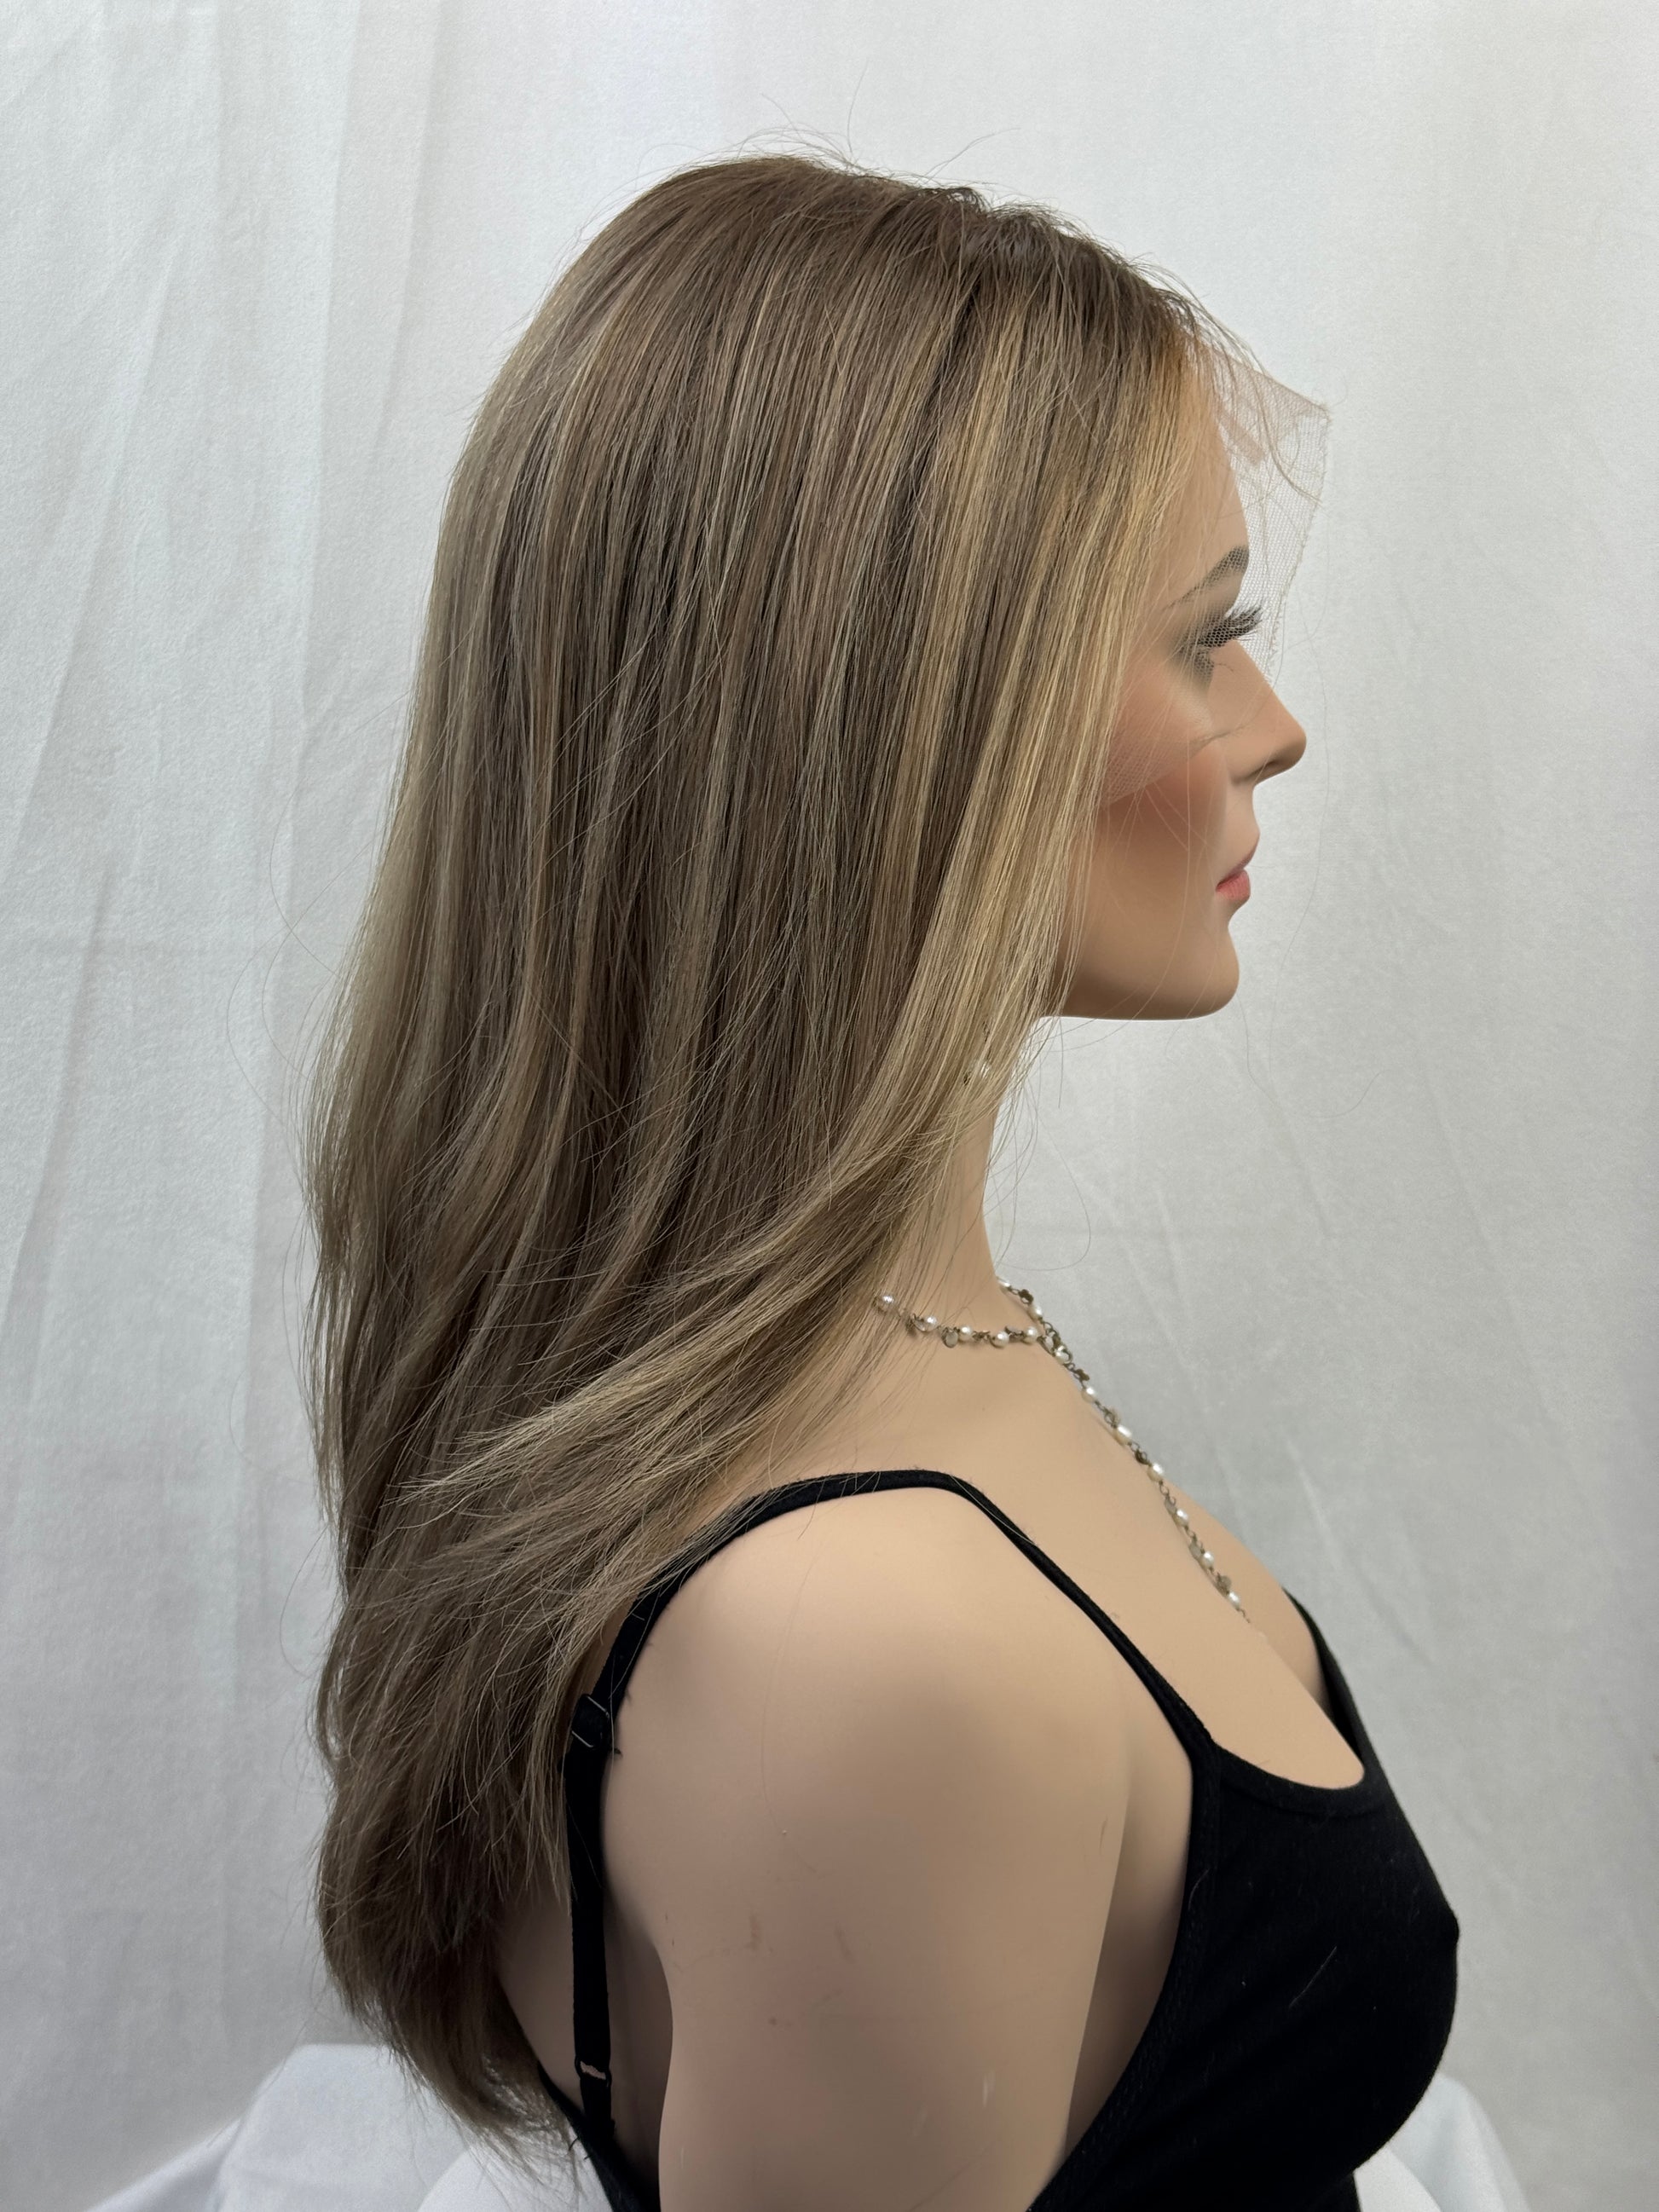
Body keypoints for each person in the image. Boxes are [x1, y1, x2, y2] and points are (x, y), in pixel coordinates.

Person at [301, 148, 1459, 2212]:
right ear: (905, 727)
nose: (1272, 728)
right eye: (1208, 637)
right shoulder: (865, 1661)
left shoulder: (877, 1355)